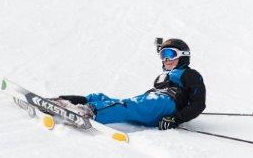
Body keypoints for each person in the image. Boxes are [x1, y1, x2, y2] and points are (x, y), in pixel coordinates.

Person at [51, 38, 206, 129]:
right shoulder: (165, 76)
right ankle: (65, 101)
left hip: (166, 105)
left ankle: (88, 112)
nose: (166, 59)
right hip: (153, 102)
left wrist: (175, 119)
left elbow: (198, 104)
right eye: (163, 55)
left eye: (170, 54)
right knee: (103, 97)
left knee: (128, 106)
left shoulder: (190, 74)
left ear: (183, 56)